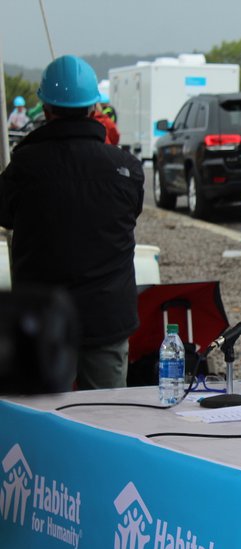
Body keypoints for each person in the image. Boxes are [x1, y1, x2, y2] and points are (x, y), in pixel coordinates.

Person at [0, 55, 144, 389]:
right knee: (107, 423)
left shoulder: (23, 167)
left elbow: (4, 215)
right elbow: (129, 214)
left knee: (43, 424)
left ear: (46, 108)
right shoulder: (125, 168)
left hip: (41, 320)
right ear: (95, 108)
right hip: (107, 317)